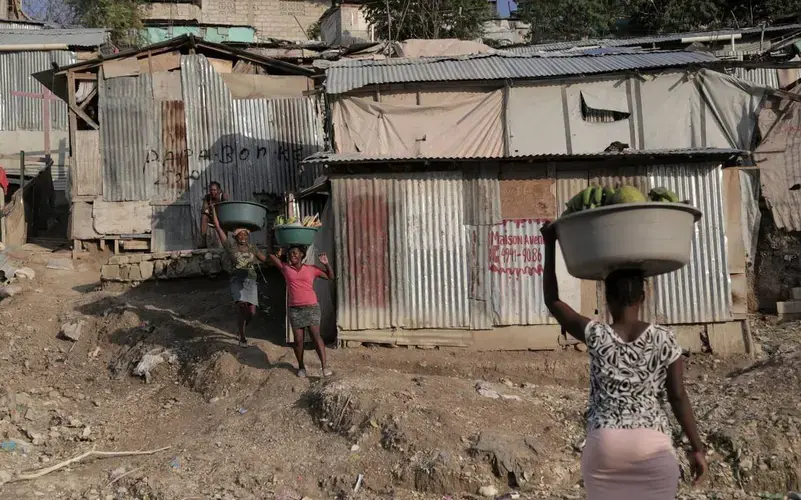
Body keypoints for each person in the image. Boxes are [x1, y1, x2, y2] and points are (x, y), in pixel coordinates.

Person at [540, 223, 707, 500]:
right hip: (652, 446)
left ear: (607, 299)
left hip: (606, 445)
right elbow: (677, 396)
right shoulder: (665, 339)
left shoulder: (596, 333)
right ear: (643, 297)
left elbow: (552, 300)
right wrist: (697, 448)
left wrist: (549, 243)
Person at [267, 244, 334, 378]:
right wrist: (278, 252)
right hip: (295, 309)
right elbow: (270, 256)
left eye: (296, 253)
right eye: (291, 253)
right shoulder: (285, 269)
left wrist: (326, 264)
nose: (293, 255)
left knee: (316, 337)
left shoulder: (311, 269)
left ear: (302, 255)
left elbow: (330, 276)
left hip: (312, 307)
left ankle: (324, 367)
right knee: (298, 340)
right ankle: (301, 367)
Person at [211, 205, 267, 346]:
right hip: (237, 280)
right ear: (235, 236)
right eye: (240, 235)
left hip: (251, 281)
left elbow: (264, 259)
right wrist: (213, 210)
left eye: (245, 235)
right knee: (242, 307)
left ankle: (241, 326)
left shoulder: (253, 248)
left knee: (251, 313)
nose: (243, 237)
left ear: (248, 237)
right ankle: (242, 337)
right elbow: (218, 228)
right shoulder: (230, 246)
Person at [200, 181, 228, 248]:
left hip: (222, 217)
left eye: (214, 190)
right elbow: (204, 210)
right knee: (204, 217)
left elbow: (226, 208)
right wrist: (210, 209)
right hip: (212, 217)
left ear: (219, 190)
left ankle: (226, 244)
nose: (212, 192)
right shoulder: (207, 197)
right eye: (211, 190)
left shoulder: (223, 196)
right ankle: (203, 243)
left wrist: (212, 209)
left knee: (226, 220)